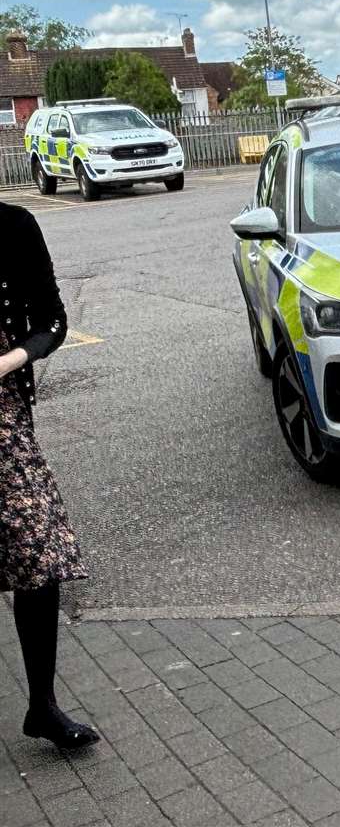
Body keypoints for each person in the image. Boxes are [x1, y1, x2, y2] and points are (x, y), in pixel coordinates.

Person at [1, 202, 100, 750]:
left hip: (3, 414)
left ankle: (42, 706)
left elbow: (52, 320)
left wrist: (10, 360)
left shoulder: (13, 226)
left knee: (38, 550)